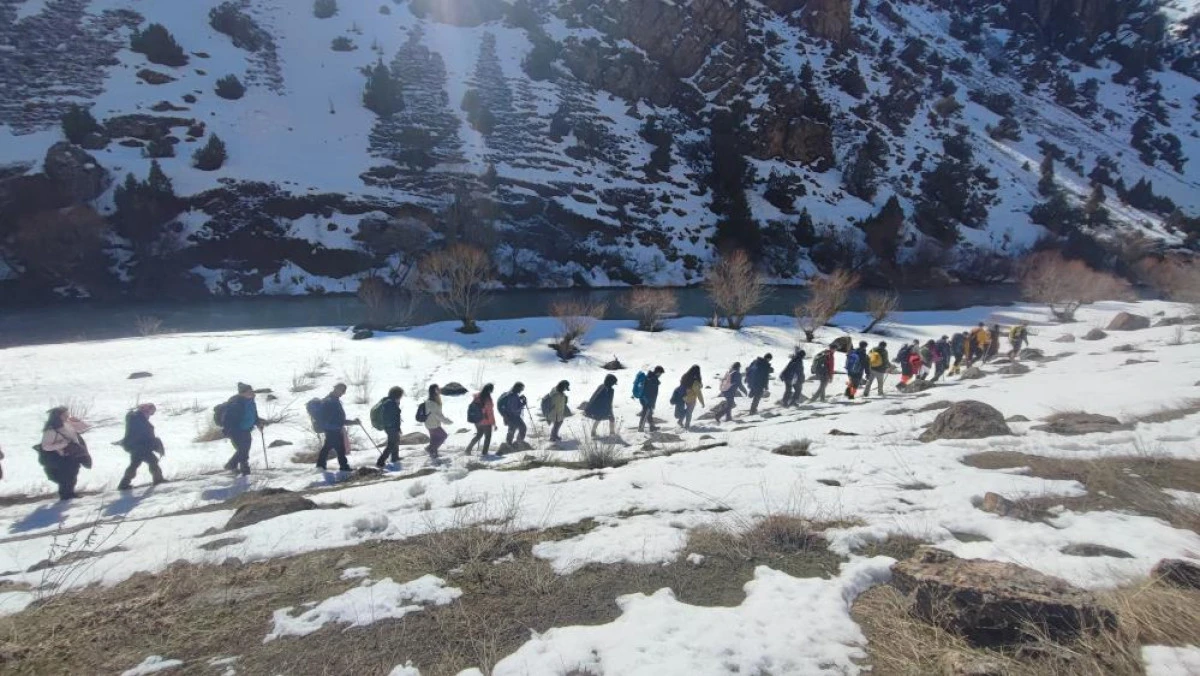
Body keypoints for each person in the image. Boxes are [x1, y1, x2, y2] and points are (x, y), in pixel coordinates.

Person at [37, 406, 91, 501]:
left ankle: (71, 493)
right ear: (58, 416)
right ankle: (65, 495)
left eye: (67, 414)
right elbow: (45, 446)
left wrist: (78, 421)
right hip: (61, 456)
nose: (67, 416)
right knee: (66, 477)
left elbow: (85, 428)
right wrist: (62, 445)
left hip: (73, 453)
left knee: (73, 474)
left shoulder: (67, 423)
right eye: (65, 414)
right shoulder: (51, 430)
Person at [118, 403, 165, 490]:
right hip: (139, 447)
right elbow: (143, 435)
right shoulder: (137, 418)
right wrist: (153, 443)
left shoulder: (138, 418)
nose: (150, 415)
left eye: (152, 413)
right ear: (145, 410)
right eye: (150, 412)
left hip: (137, 447)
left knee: (135, 464)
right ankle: (158, 480)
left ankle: (123, 484)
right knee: (152, 460)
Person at [222, 382, 264, 476]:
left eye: (251, 391)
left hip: (246, 429)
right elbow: (228, 418)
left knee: (244, 449)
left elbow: (254, 414)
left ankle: (236, 466)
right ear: (242, 393)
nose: (251, 393)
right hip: (236, 430)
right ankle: (239, 467)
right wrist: (227, 431)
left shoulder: (251, 401)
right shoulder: (236, 404)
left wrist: (258, 423)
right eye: (249, 391)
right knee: (243, 449)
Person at [317, 384, 356, 471]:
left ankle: (320, 465)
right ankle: (344, 467)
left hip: (331, 428)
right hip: (333, 429)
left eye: (344, 391)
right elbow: (338, 419)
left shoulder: (331, 400)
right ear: (337, 389)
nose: (343, 393)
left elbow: (337, 418)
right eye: (342, 391)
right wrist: (352, 422)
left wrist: (351, 422)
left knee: (327, 447)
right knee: (340, 448)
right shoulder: (331, 402)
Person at [374, 387, 404, 468]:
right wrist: (397, 428)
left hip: (390, 427)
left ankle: (395, 457)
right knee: (391, 444)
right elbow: (395, 417)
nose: (401, 397)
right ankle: (380, 461)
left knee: (395, 441)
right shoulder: (391, 403)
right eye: (401, 395)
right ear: (397, 395)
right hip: (391, 427)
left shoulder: (390, 402)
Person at [465, 384, 496, 456]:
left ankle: (468, 449)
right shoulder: (487, 399)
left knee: (479, 435)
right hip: (485, 421)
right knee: (488, 437)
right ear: (490, 390)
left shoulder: (477, 396)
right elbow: (490, 413)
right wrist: (493, 423)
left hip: (477, 420)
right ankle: (485, 452)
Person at [422, 385, 451, 460]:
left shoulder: (430, 401)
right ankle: (430, 449)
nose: (439, 390)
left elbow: (438, 414)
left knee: (434, 439)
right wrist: (447, 421)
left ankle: (434, 454)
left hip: (429, 424)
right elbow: (438, 416)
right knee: (443, 435)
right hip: (433, 424)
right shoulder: (432, 403)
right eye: (437, 389)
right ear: (434, 391)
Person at [499, 382, 528, 448]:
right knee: (521, 428)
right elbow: (514, 409)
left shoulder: (512, 394)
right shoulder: (513, 396)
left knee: (513, 430)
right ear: (518, 388)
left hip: (510, 416)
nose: (522, 390)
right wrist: (523, 404)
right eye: (521, 388)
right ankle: (515, 444)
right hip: (513, 416)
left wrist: (519, 399)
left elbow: (514, 405)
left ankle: (511, 444)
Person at [638, 367, 665, 432]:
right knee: (645, 413)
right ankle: (640, 428)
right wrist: (649, 402)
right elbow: (649, 392)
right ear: (658, 372)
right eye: (660, 373)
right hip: (647, 400)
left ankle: (652, 427)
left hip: (646, 399)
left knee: (649, 413)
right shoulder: (652, 379)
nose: (660, 375)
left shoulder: (651, 377)